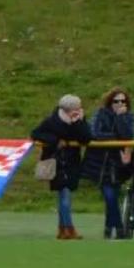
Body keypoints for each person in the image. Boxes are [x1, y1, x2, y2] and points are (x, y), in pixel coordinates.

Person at [31, 94, 91, 240]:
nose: (78, 110)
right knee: (65, 195)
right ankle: (69, 228)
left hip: (72, 162)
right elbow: (35, 134)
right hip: (56, 162)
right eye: (76, 108)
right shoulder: (51, 121)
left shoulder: (79, 120)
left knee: (65, 194)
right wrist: (56, 140)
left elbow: (86, 138)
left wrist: (78, 122)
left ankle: (62, 229)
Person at [81, 87, 134, 239]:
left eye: (122, 101)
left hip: (117, 162)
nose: (119, 103)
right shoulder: (101, 113)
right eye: (116, 100)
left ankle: (108, 228)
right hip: (99, 161)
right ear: (110, 101)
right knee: (109, 196)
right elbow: (95, 134)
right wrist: (116, 138)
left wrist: (120, 118)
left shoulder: (129, 116)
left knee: (113, 196)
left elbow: (127, 135)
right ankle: (119, 228)